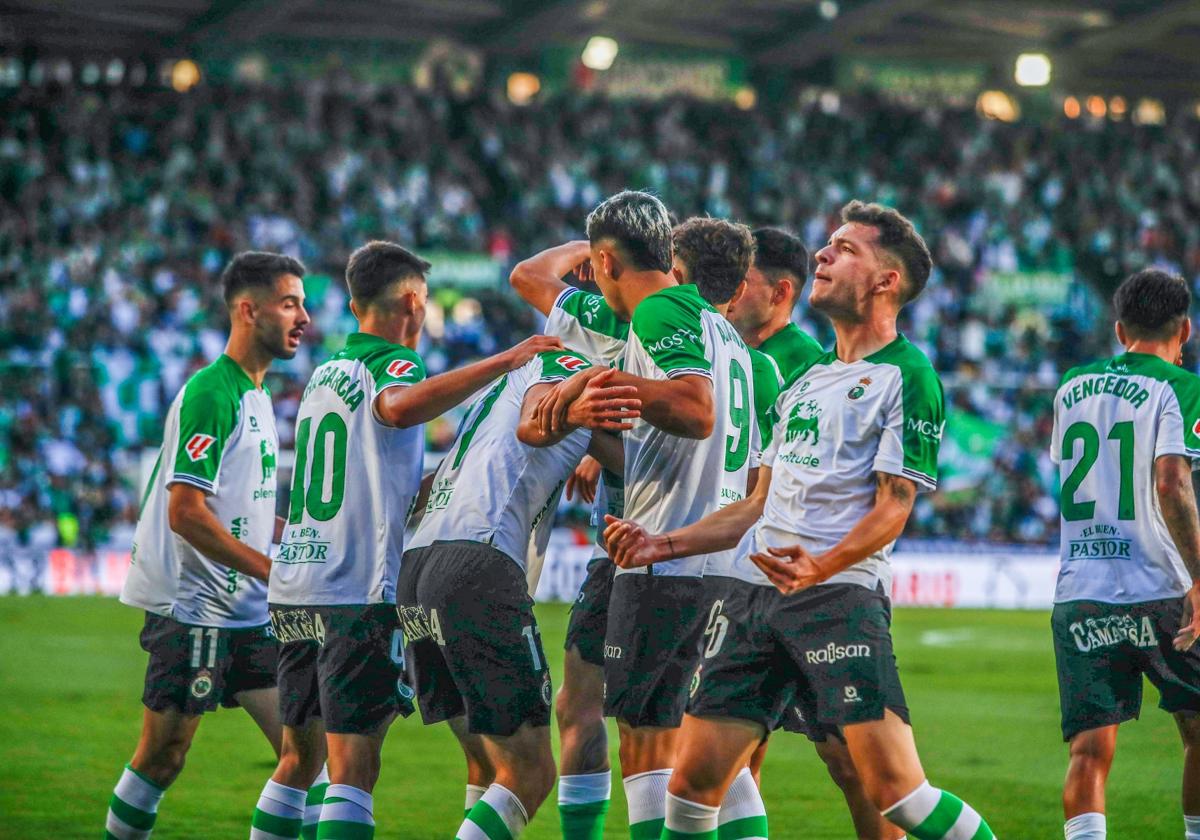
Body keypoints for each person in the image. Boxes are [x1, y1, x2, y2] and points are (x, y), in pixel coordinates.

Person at [604, 201, 996, 840]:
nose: (823, 253)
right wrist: (661, 543)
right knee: (690, 788)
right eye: (828, 243)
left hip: (835, 600)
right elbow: (758, 504)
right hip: (754, 599)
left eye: (844, 248)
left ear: (886, 281)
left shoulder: (908, 375)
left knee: (899, 795)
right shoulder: (806, 384)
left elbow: (894, 505)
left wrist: (822, 565)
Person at [248, 240, 562, 840]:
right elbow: (396, 409)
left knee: (297, 761)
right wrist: (506, 361)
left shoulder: (325, 373)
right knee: (352, 769)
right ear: (414, 302)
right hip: (354, 588)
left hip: (296, 584)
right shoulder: (392, 362)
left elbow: (370, 476)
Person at [534, 192, 756, 839]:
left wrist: (588, 385)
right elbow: (672, 446)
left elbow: (694, 409)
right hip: (699, 553)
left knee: (649, 745)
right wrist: (583, 426)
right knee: (647, 728)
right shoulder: (726, 335)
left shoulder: (660, 309)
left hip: (668, 559)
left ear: (604, 260)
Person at [105, 252, 312, 840]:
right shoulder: (210, 392)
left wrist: (300, 542)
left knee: (308, 754)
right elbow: (186, 513)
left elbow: (240, 512)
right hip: (194, 610)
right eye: (290, 303)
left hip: (247, 615)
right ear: (248, 310)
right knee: (162, 758)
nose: (303, 317)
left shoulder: (258, 394)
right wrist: (272, 571)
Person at [398, 339, 632, 839]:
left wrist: (599, 448)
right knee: (531, 772)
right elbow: (550, 427)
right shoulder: (569, 367)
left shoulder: (501, 388)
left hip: (417, 567)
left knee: (487, 767)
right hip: (477, 563)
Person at [729, 226, 905, 840]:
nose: (726, 294)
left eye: (740, 282)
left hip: (818, 586)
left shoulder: (806, 360)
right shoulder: (743, 354)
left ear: (777, 291)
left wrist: (823, 565)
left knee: (851, 764)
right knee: (721, 753)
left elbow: (880, 494)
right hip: (748, 576)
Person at [1050, 269, 1200, 840]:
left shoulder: (1070, 386)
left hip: (1080, 593)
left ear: (1118, 329)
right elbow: (1170, 483)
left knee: (1089, 752)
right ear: (1183, 330)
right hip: (1161, 587)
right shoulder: (1180, 388)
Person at [510, 239, 631, 839]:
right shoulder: (712, 335)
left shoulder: (604, 319)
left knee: (672, 730)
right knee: (582, 707)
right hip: (628, 545)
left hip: (657, 543)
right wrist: (599, 447)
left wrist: (587, 247)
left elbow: (529, 274)